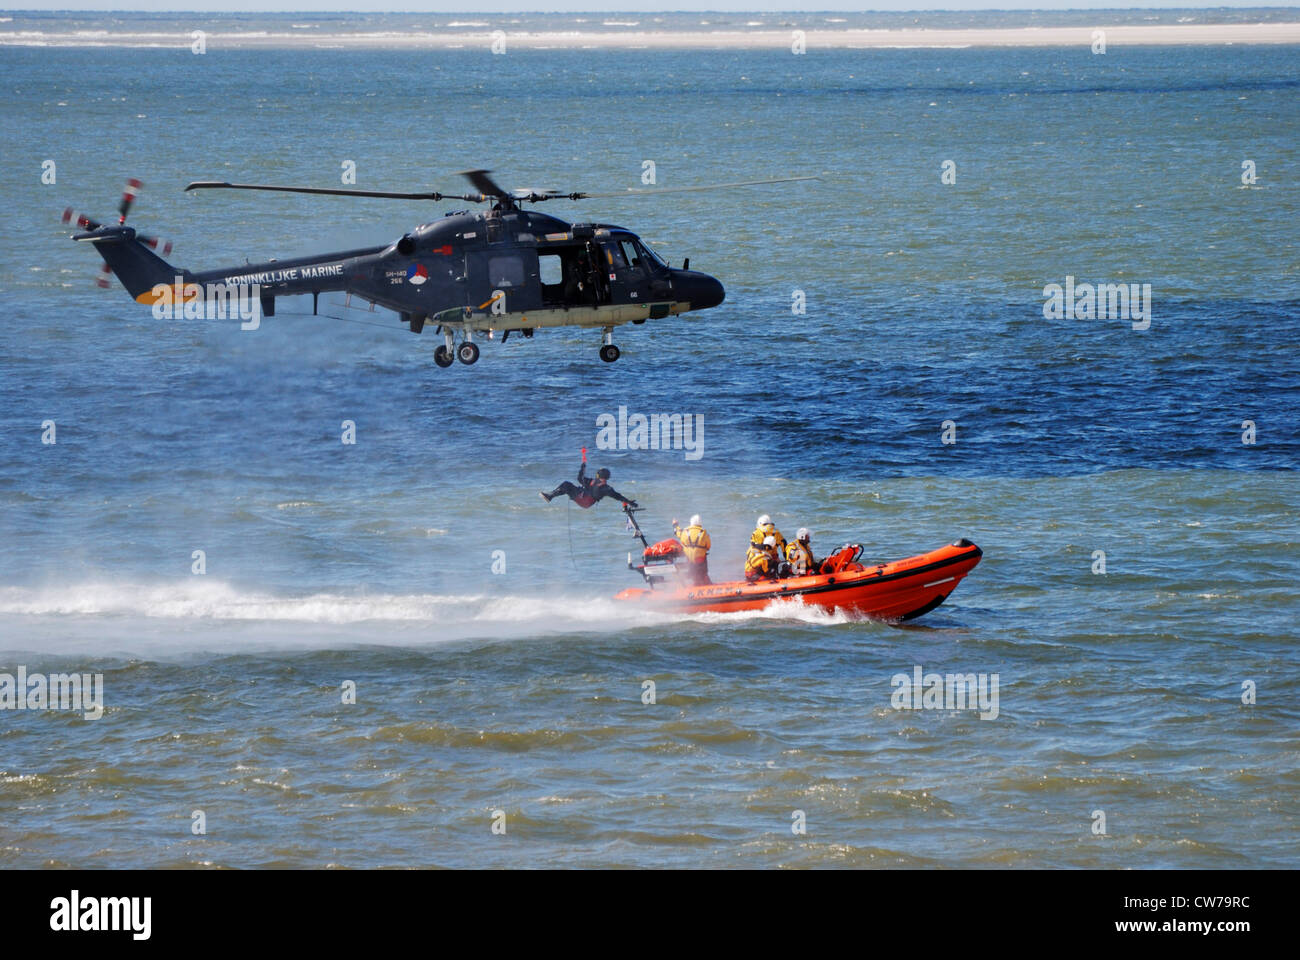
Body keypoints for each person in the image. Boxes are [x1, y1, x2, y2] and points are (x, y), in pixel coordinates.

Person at [540, 463, 637, 509]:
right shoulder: (606, 488)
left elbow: (617, 496)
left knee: (566, 485)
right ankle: (550, 496)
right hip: (585, 500)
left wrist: (582, 469)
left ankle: (550, 496)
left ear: (599, 475)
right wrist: (629, 502)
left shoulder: (602, 487)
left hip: (584, 499)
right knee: (567, 487)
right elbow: (618, 496)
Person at [672, 514, 712, 586]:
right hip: (700, 561)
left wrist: (675, 525)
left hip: (690, 561)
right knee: (704, 555)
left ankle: (695, 581)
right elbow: (708, 546)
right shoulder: (704, 533)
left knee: (690, 556)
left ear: (691, 523)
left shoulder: (685, 532)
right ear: (700, 523)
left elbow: (677, 532)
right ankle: (704, 579)